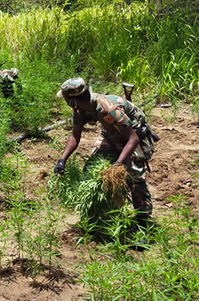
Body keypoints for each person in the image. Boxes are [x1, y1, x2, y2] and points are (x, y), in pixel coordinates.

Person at [53, 78, 154, 227]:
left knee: (135, 176)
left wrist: (118, 164)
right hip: (110, 133)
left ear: (73, 100)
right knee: (91, 169)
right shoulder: (80, 109)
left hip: (134, 135)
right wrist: (62, 159)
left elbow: (133, 139)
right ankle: (103, 214)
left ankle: (143, 223)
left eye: (66, 99)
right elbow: (75, 135)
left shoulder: (107, 108)